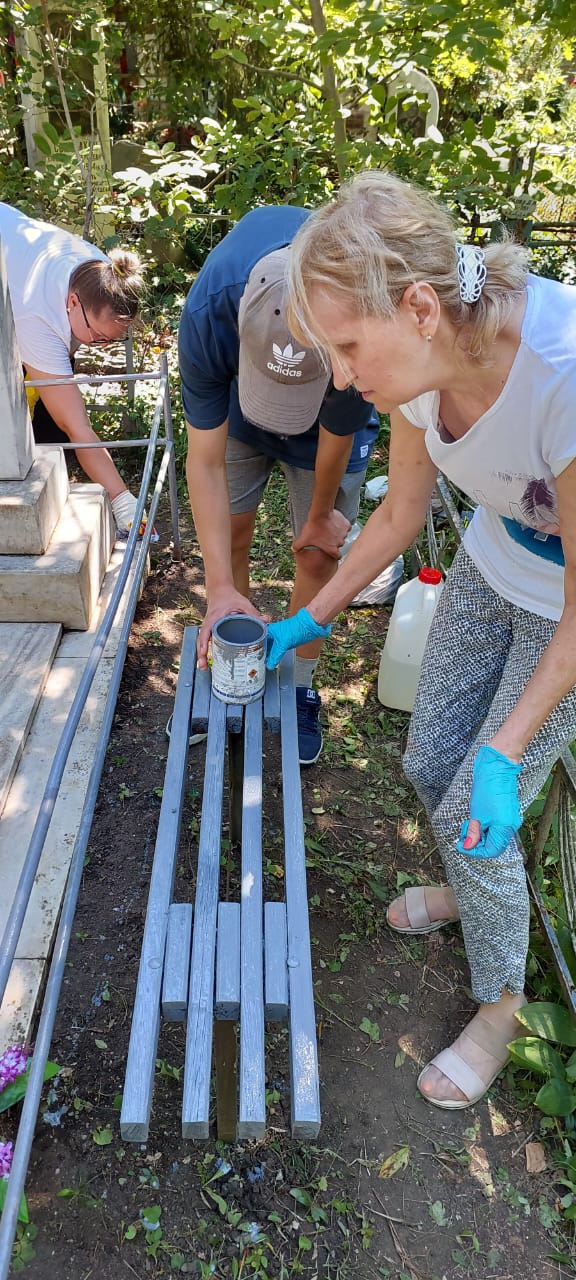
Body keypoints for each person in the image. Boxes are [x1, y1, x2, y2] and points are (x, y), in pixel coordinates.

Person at [265, 170, 576, 1109]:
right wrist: (308, 617)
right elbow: (400, 515)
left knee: (481, 812)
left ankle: (502, 1005)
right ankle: (466, 891)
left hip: (567, 609)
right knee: (429, 754)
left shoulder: (561, 376)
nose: (344, 378)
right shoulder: (413, 369)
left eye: (350, 348)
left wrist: (512, 745)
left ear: (421, 306)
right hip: (493, 565)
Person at [178, 205, 379, 765]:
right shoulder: (210, 311)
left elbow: (338, 431)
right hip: (240, 409)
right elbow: (205, 461)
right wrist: (217, 586)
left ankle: (298, 687)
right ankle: (233, 656)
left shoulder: (351, 317)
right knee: (231, 533)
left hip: (326, 421)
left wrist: (320, 514)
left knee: (318, 550)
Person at [0, 201, 145, 536]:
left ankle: (58, 480)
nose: (99, 347)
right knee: (55, 416)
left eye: (109, 341)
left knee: (51, 410)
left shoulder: (100, 272)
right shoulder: (37, 314)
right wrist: (121, 496)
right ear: (73, 303)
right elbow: (76, 426)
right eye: (96, 339)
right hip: (17, 284)